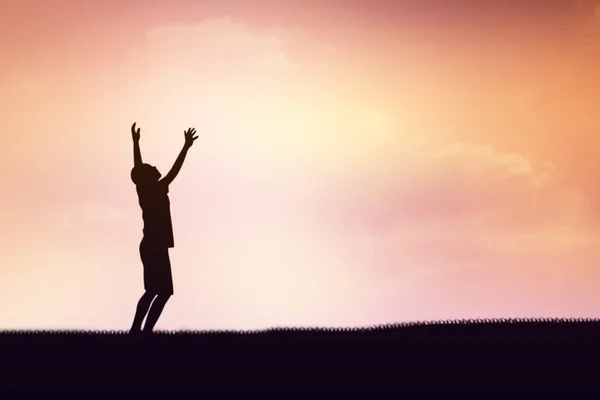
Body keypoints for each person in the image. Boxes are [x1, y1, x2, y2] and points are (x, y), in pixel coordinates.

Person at [129, 122, 198, 333]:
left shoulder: (148, 188)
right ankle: (138, 331)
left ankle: (142, 331)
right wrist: (185, 147)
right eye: (150, 168)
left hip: (154, 245)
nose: (154, 167)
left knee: (160, 291)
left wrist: (136, 143)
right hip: (153, 245)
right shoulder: (153, 189)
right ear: (146, 177)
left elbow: (138, 168)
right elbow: (172, 170)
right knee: (156, 291)